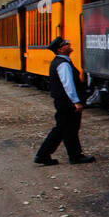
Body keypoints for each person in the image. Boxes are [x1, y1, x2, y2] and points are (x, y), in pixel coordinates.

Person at [34, 36, 95, 166]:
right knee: (65, 128)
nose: (69, 44)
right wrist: (76, 101)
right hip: (67, 102)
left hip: (63, 102)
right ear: (61, 49)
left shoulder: (60, 61)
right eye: (66, 44)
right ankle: (45, 155)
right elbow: (68, 85)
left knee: (67, 129)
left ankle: (73, 155)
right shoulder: (63, 64)